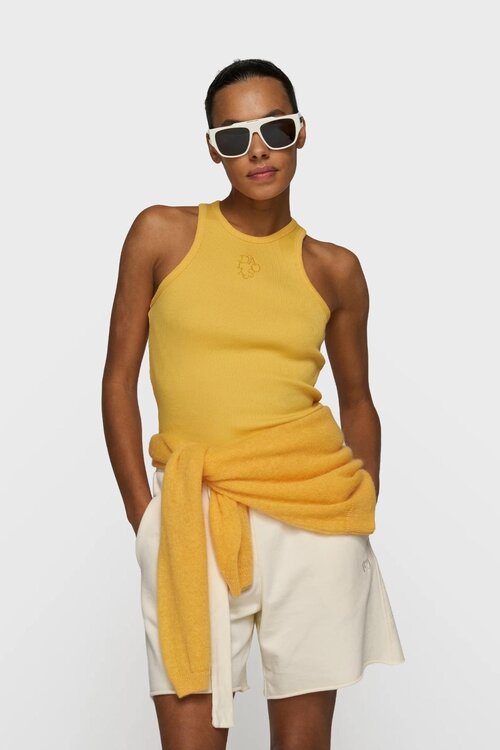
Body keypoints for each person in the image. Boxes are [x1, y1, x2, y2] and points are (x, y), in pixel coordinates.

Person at [101, 58, 405, 750]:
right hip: (193, 511)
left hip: (314, 517)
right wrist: (144, 516)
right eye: (235, 136)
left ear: (301, 133)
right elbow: (118, 379)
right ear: (214, 149)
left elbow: (358, 399)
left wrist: (359, 506)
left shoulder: (335, 269)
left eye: (275, 129)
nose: (258, 150)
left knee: (303, 743)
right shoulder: (161, 234)